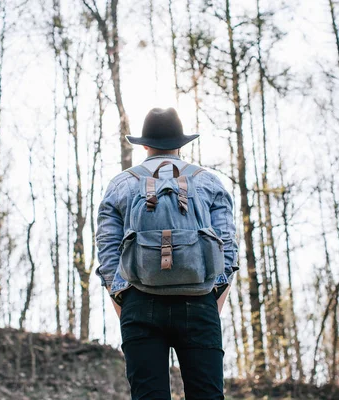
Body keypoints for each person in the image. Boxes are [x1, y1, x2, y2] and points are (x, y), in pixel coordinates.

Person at [95, 107, 239, 400]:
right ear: (181, 144)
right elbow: (228, 249)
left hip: (140, 301)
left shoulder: (121, 184)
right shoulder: (208, 182)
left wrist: (125, 300)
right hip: (199, 301)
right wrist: (212, 299)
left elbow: (108, 251)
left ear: (144, 144)